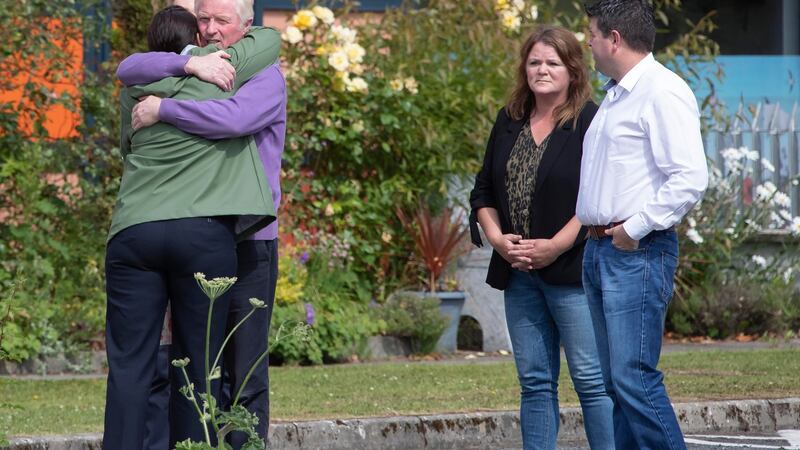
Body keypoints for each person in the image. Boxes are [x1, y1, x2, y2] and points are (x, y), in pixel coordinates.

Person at [105, 5, 281, 449]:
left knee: (242, 368)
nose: (211, 29)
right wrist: (190, 63)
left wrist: (164, 110)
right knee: (190, 364)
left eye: (221, 19)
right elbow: (129, 64)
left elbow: (236, 120)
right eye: (204, 19)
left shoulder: (257, 74)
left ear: (246, 24)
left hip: (248, 238)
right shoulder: (201, 72)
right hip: (203, 234)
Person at [469, 26, 614, 450]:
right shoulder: (509, 119)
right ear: (524, 68)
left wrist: (557, 245)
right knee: (534, 383)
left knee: (590, 379)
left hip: (572, 271)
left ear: (572, 70)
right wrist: (496, 238)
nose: (542, 70)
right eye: (535, 62)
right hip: (518, 275)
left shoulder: (590, 120)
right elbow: (483, 190)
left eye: (553, 63)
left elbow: (601, 196)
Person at [578, 1, 709, 449]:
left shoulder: (661, 91)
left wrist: (633, 229)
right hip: (599, 250)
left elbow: (689, 178)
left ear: (614, 39)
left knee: (633, 379)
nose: (588, 43)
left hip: (635, 250)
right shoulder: (616, 94)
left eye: (591, 34)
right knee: (617, 386)